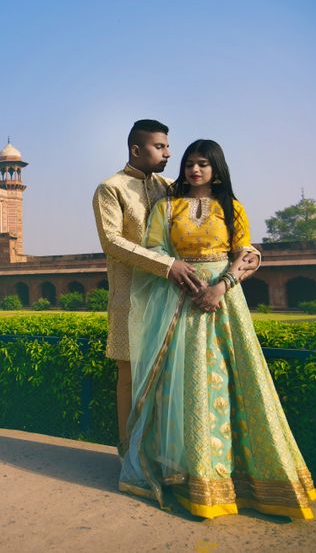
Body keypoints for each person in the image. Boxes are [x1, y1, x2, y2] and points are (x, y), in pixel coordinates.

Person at [118, 139, 316, 520]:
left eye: (203, 164)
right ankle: (187, 478)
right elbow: (155, 249)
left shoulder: (232, 207)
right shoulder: (167, 207)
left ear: (216, 169)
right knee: (183, 386)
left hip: (223, 302)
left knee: (234, 382)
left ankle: (250, 482)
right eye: (190, 163)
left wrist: (220, 287)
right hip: (179, 298)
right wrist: (182, 277)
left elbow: (248, 253)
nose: (195, 170)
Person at [92, 119, 212, 457]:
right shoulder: (110, 188)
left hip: (169, 298)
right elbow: (112, 242)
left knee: (170, 375)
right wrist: (167, 265)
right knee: (129, 376)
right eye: (160, 147)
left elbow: (209, 217)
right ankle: (131, 454)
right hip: (129, 298)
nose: (169, 153)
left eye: (168, 146)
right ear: (136, 149)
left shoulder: (170, 186)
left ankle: (168, 455)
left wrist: (242, 252)